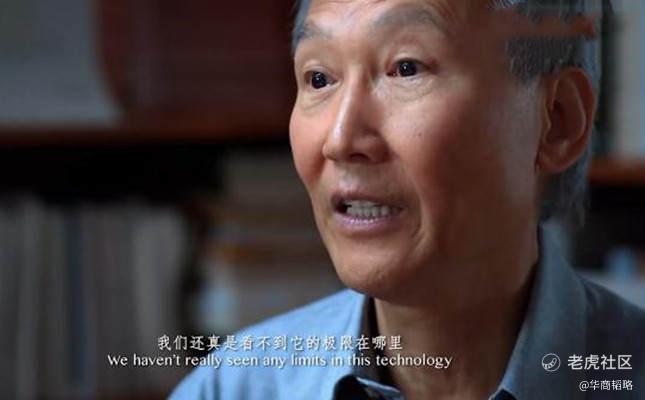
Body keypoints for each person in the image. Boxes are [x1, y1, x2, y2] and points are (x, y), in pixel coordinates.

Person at [170, 0, 645, 398]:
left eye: (406, 69)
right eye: (319, 79)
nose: (340, 139)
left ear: (557, 120)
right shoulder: (233, 387)